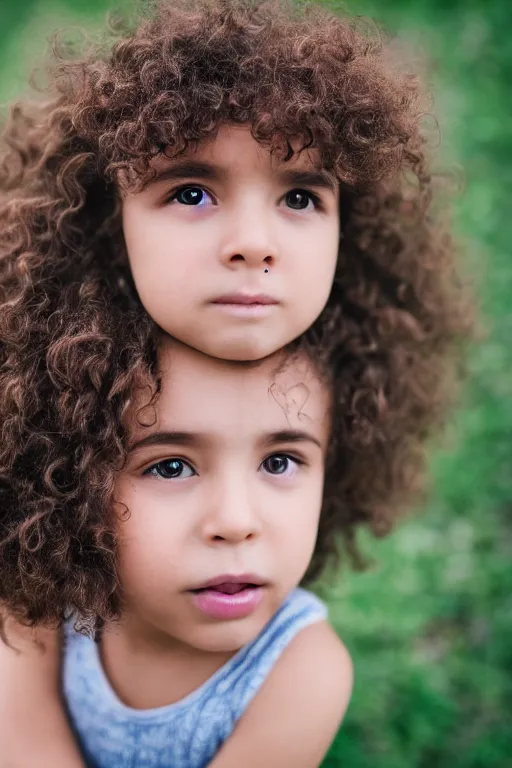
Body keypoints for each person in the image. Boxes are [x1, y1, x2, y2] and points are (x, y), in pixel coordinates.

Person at [0, 0, 472, 766]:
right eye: (171, 464)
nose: (235, 522)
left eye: (300, 196)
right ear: (68, 466)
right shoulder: (43, 588)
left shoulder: (302, 676)